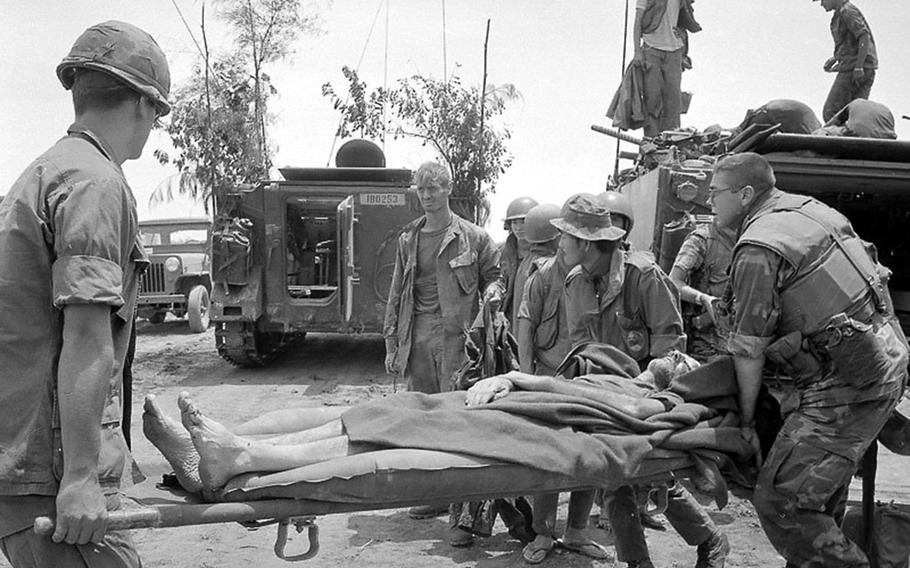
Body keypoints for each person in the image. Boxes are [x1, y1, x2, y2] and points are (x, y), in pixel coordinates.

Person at [0, 20, 170, 568]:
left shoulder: (41, 174)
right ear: (143, 104)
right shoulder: (96, 183)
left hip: (24, 465)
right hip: (51, 478)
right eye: (157, 113)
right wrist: (79, 478)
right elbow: (86, 339)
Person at [709, 152, 909, 566]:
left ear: (745, 194)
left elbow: (749, 349)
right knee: (817, 497)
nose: (709, 202)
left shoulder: (758, 248)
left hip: (844, 391)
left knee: (784, 503)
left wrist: (746, 422)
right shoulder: (813, 213)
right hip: (883, 365)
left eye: (715, 193)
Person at [143, 350, 707, 494]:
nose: (674, 356)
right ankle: (224, 447)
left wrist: (520, 380)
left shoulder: (655, 403)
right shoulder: (626, 375)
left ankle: (243, 457)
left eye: (684, 362)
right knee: (390, 410)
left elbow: (616, 417)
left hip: (522, 426)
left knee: (402, 428)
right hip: (490, 405)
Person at [553, 194, 729, 568]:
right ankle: (707, 540)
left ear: (585, 242)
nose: (559, 244)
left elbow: (674, 353)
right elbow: (582, 350)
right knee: (626, 481)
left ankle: (662, 556)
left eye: (564, 236)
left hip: (650, 397)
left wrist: (643, 393)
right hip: (606, 401)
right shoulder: (574, 283)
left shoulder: (644, 277)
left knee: (623, 484)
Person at [383, 161, 501, 523]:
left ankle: (462, 503)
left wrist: (494, 296)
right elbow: (396, 294)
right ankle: (435, 494)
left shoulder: (475, 237)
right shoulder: (408, 238)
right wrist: (391, 344)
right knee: (423, 418)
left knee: (458, 417)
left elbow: (494, 278)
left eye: (434, 188)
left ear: (448, 189)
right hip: (416, 339)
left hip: (457, 343)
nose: (427, 196)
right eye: (421, 189)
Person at [514, 203, 609, 563]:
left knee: (588, 457)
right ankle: (542, 533)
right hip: (547, 379)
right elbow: (525, 328)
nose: (561, 244)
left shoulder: (596, 278)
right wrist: (525, 381)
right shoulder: (542, 276)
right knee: (548, 461)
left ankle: (577, 530)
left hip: (587, 384)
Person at [669, 218, 736, 362]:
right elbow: (674, 282)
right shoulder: (702, 240)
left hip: (739, 341)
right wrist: (703, 299)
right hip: (706, 344)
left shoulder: (750, 239)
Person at [633, 0, 702, 137]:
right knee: (651, 100)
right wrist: (637, 52)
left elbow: (685, 13)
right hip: (651, 49)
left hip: (674, 51)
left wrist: (681, 36)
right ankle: (653, 140)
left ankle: (671, 140)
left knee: (673, 101)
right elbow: (638, 20)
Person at [814, 0, 878, 122]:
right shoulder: (841, 13)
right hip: (861, 67)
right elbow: (850, 42)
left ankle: (836, 140)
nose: (822, 4)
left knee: (831, 111)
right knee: (853, 115)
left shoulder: (847, 11)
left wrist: (858, 66)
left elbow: (863, 36)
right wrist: (836, 58)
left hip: (855, 69)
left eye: (822, 0)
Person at [497, 196, 539, 328]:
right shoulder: (501, 252)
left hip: (534, 318)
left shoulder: (545, 253)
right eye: (514, 222)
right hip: (506, 320)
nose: (519, 227)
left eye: (523, 222)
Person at [814, 98, 897, 139]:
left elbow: (834, 121)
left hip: (859, 137)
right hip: (887, 139)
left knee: (821, 132)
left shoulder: (854, 103)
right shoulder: (885, 109)